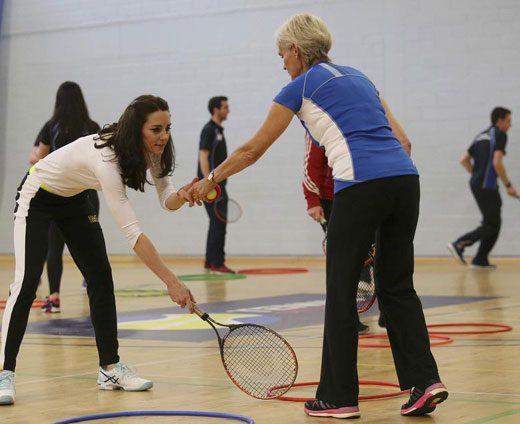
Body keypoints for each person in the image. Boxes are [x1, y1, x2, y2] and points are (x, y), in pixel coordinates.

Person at [188, 13, 446, 419]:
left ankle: (339, 397)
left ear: (297, 50)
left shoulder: (300, 85)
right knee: (397, 286)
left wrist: (210, 179)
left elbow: (252, 150)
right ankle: (425, 381)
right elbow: (404, 140)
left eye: (282, 55)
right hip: (405, 181)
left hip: (360, 185)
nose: (283, 64)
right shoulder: (360, 77)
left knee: (341, 291)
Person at [0, 95, 198, 406]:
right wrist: (172, 281)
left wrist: (182, 194)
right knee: (28, 281)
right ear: (136, 128)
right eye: (156, 129)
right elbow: (133, 234)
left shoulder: (153, 150)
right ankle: (5, 374)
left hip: (74, 200)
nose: (164, 136)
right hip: (39, 196)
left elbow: (167, 198)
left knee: (101, 278)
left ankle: (109, 369)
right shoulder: (107, 159)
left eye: (168, 127)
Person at [29, 81, 101, 312]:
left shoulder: (52, 126)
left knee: (55, 248)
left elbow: (38, 160)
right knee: (90, 245)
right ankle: (92, 287)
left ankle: (55, 297)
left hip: (59, 194)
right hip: (87, 195)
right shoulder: (92, 126)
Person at [302, 132, 369, 334]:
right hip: (330, 201)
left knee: (369, 251)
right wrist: (312, 201)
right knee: (342, 263)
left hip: (355, 195)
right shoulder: (316, 126)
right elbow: (310, 164)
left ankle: (385, 314)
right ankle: (347, 321)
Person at [447, 107, 515, 268]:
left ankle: (480, 259)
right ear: (499, 120)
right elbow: (497, 162)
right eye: (508, 121)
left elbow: (464, 159)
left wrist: (476, 175)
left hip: (477, 183)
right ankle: (460, 244)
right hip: (487, 184)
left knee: (493, 222)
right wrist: (508, 185)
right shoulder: (500, 134)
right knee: (492, 223)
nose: (510, 125)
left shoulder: (481, 136)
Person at [197, 96, 234, 273]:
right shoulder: (209, 130)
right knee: (218, 222)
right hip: (212, 186)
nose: (228, 110)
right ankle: (217, 263)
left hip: (217, 185)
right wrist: (207, 182)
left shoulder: (218, 130)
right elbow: (203, 155)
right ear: (216, 109)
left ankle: (209, 261)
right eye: (225, 107)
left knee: (216, 222)